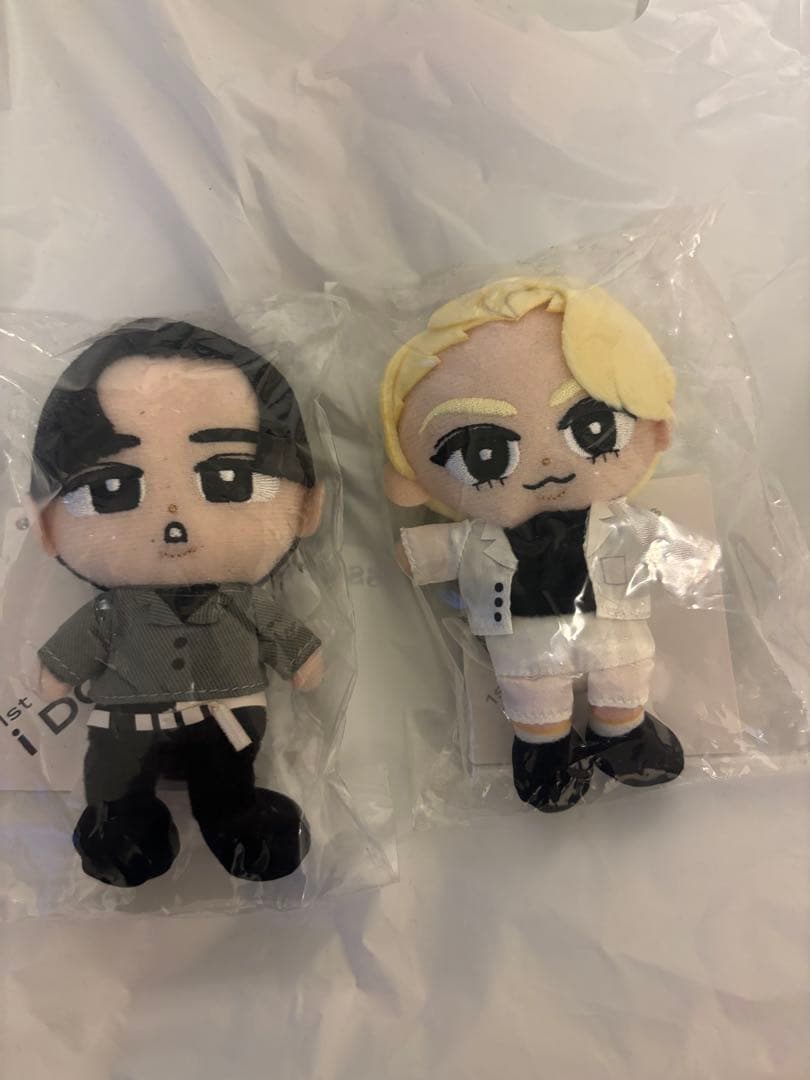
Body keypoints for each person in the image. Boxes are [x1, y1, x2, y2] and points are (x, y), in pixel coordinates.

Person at [381, 277, 717, 812]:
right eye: (484, 452)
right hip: (527, 643)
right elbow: (435, 550)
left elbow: (667, 546)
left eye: (593, 428)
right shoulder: (482, 534)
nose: (545, 463)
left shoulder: (619, 520)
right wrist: (418, 553)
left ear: (656, 426)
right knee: (534, 695)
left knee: (623, 675)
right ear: (415, 481)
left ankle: (622, 731)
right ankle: (545, 750)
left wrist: (689, 564)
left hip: (609, 630)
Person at [32, 321, 324, 885]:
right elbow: (73, 651)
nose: (174, 521)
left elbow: (286, 639)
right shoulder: (112, 612)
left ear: (307, 505)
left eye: (230, 478)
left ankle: (233, 818)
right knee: (115, 779)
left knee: (226, 779)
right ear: (46, 523)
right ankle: (121, 823)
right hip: (126, 724)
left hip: (224, 721)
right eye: (111, 487)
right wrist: (58, 671)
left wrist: (302, 658)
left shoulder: (243, 601)